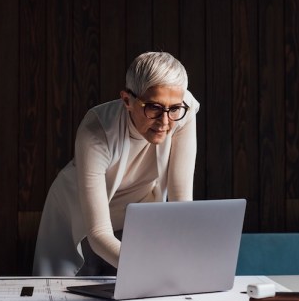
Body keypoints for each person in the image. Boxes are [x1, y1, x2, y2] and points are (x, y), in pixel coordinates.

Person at [32, 51, 200, 276]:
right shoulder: (96, 131)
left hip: (136, 210)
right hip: (79, 215)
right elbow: (99, 233)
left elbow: (181, 204)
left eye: (174, 109)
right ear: (127, 100)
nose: (165, 122)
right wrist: (151, 269)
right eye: (153, 108)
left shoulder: (183, 110)